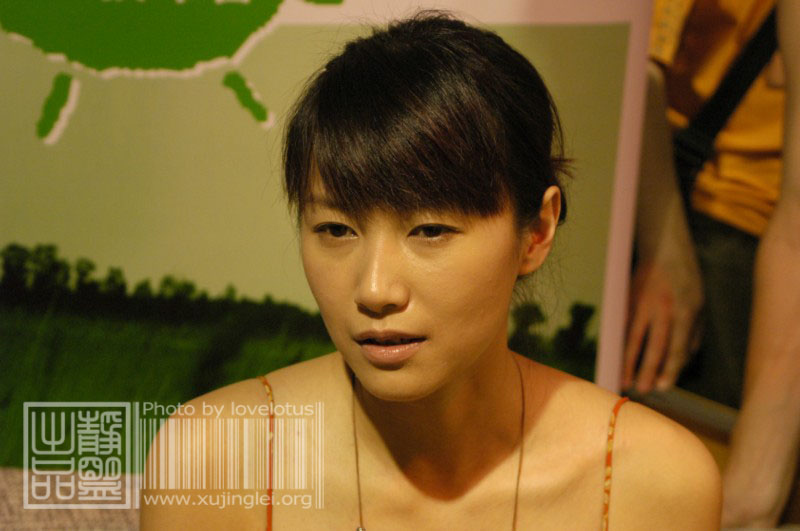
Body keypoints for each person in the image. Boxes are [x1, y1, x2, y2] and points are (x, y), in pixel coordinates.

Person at [141, 12, 720, 529]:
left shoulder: (647, 480)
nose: (374, 289)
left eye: (430, 230)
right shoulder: (212, 458)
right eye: (336, 230)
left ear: (537, 231)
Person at [624, 0, 800, 525]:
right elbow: (634, 62)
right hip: (686, 214)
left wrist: (751, 493)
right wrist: (664, 244)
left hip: (742, 245)